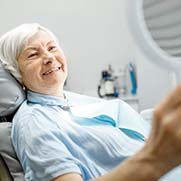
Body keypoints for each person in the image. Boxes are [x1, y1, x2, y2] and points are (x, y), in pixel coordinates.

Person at [0, 23, 181, 181]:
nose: (49, 57)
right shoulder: (33, 123)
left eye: (52, 47)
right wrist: (155, 158)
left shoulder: (71, 102)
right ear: (17, 73)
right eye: (33, 55)